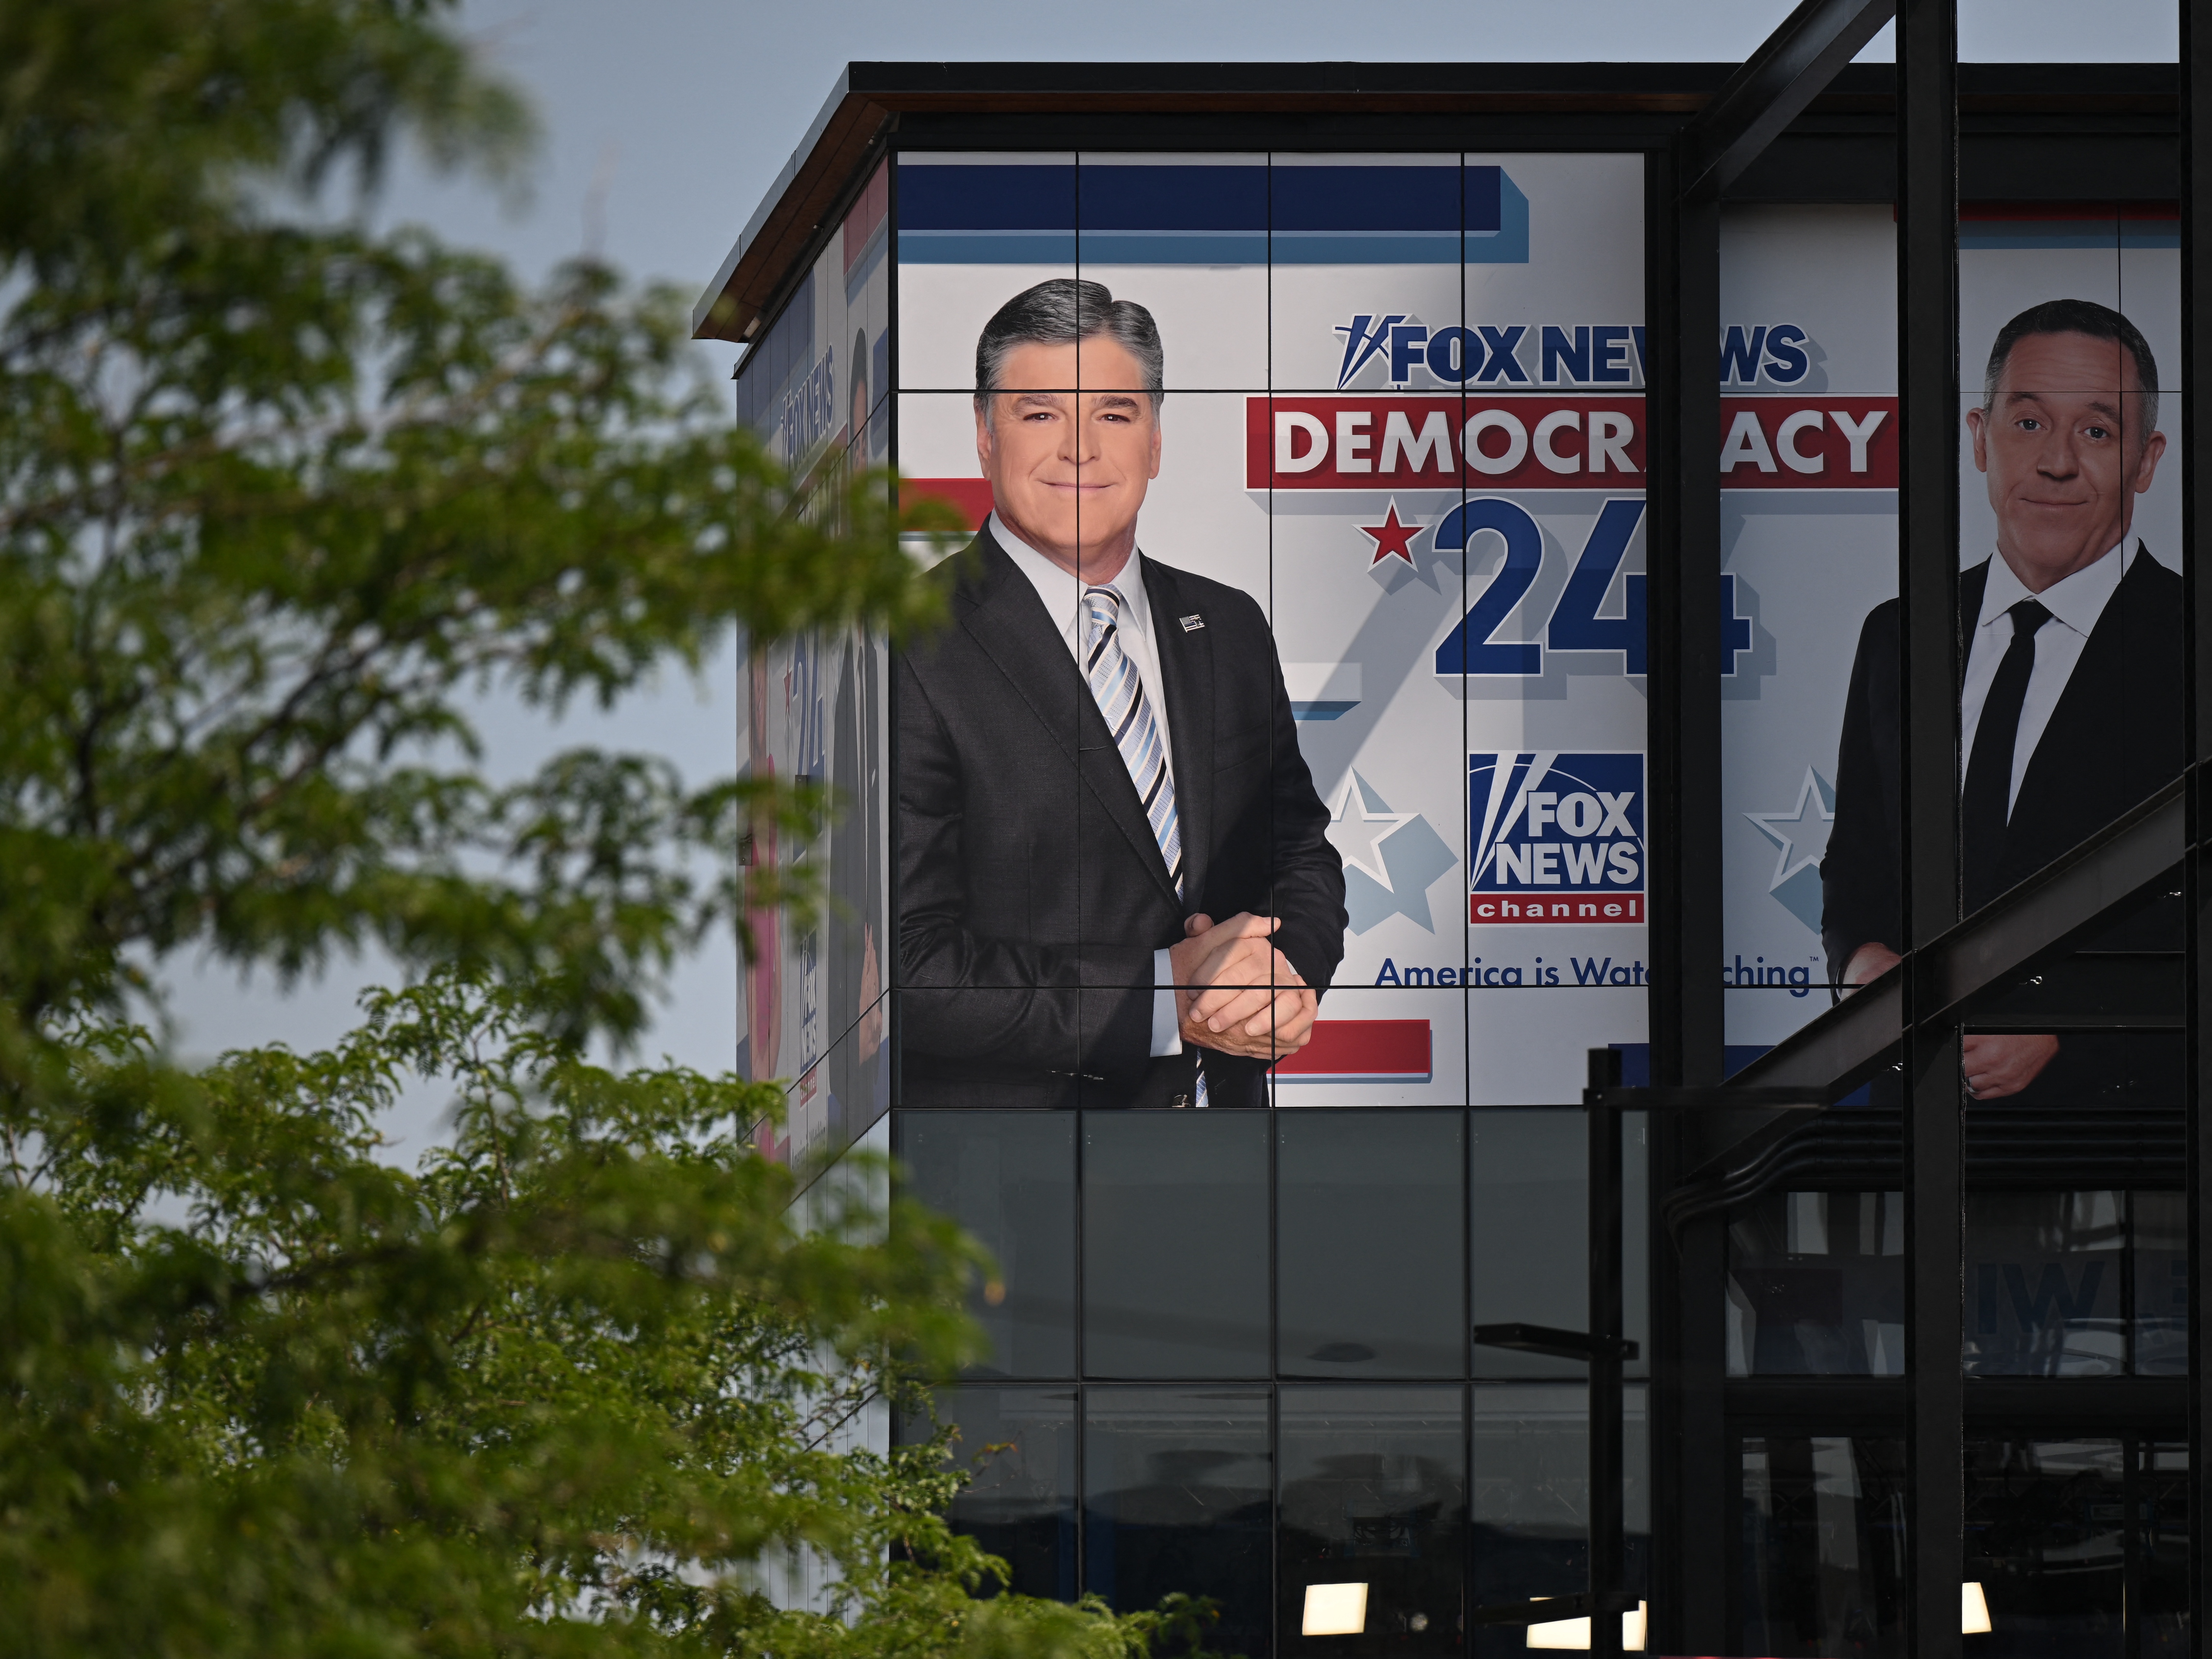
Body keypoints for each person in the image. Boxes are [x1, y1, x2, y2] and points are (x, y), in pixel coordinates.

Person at [897, 278, 1346, 1109]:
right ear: (984, 436)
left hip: (1231, 1164)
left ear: (1156, 441)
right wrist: (1161, 999)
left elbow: (1301, 854)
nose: (1080, 449)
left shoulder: (1229, 625)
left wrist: (1280, 967)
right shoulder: (910, 646)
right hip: (1011, 1186)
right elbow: (909, 967)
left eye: (1114, 413)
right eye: (1040, 416)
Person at [1822, 297, 2180, 1099]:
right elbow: (1857, 863)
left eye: (2096, 431)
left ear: (2147, 461)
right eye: (2027, 425)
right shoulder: (1899, 638)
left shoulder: (2195, 648)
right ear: (1981, 441)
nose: (2056, 462)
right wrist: (1862, 966)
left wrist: (2068, 1028)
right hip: (1911, 1130)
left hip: (2127, 1157)